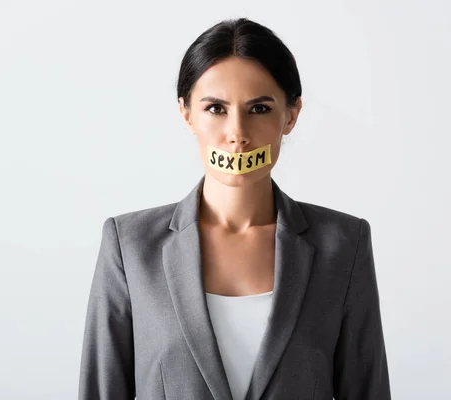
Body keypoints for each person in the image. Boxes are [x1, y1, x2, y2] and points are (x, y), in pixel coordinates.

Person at [78, 17, 391, 400]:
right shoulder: (128, 247)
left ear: (291, 115)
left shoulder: (345, 245)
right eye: (215, 108)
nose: (237, 134)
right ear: (186, 113)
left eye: (259, 108)